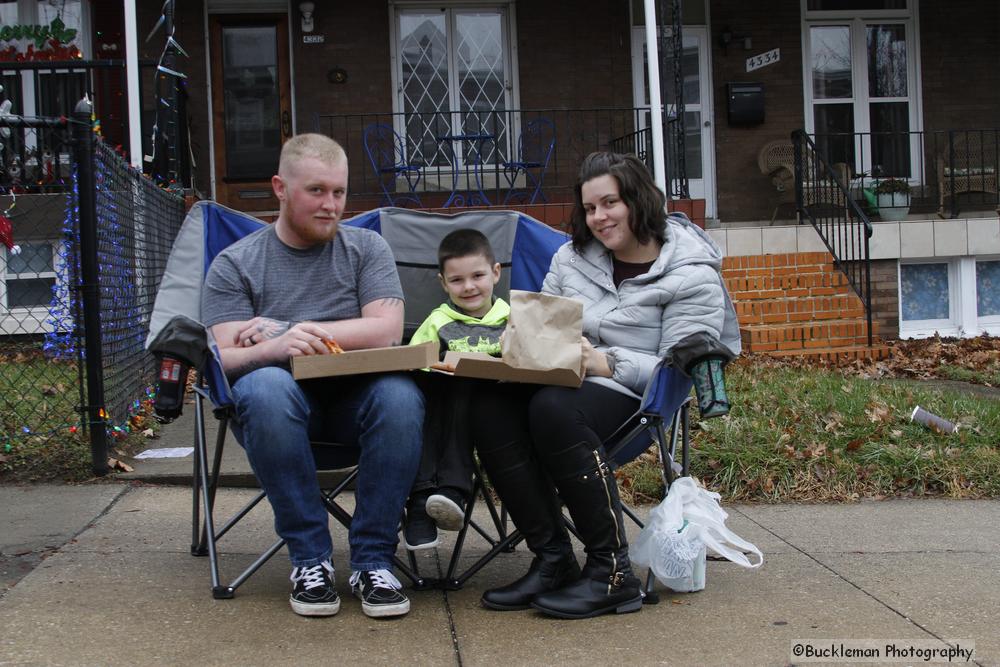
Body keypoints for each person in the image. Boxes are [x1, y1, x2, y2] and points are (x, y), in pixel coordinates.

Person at [469, 151, 740, 619]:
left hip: (636, 396)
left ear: (639, 200)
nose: (598, 218)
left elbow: (677, 364)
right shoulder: (571, 257)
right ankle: (553, 558)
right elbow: (543, 323)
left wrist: (603, 361)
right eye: (590, 207)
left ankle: (612, 573)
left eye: (610, 203)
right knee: (488, 403)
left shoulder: (691, 273)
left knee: (554, 408)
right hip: (560, 379)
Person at [200, 133, 424, 619]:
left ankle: (372, 561)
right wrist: (281, 348)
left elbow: (385, 332)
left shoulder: (367, 248)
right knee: (263, 385)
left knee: (401, 395)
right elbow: (219, 354)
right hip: (276, 415)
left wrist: (288, 329)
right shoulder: (236, 264)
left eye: (339, 192)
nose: (331, 205)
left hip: (354, 408)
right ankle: (310, 559)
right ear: (280, 187)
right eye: (316, 191)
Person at [403, 229, 509, 550]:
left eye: (477, 276)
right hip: (442, 409)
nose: (469, 287)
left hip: (497, 407)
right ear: (443, 283)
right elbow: (414, 362)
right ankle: (423, 500)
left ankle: (450, 492)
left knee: (466, 383)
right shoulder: (436, 322)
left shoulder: (513, 320)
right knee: (426, 390)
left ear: (495, 272)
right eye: (457, 280)